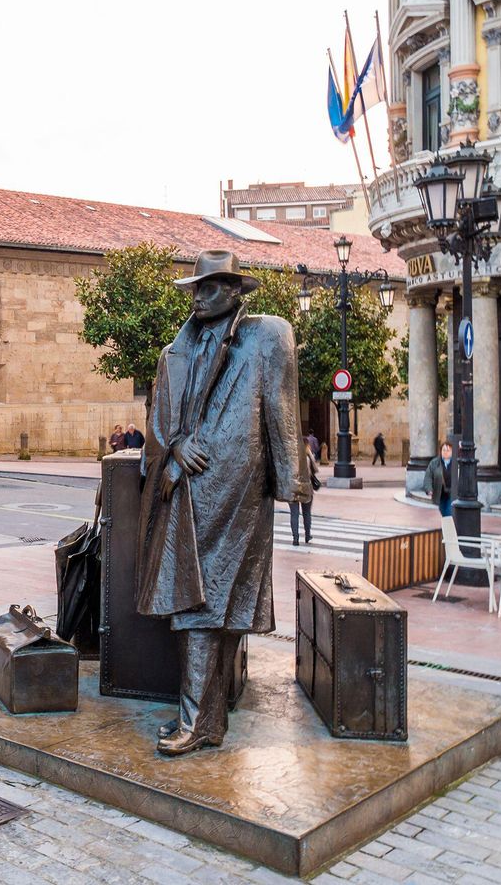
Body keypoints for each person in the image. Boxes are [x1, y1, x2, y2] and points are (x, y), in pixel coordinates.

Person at [137, 250, 302, 756]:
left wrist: (291, 479)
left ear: (234, 290)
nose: (200, 297)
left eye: (211, 287)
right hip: (189, 492)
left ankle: (198, 722)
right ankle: (205, 722)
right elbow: (159, 426)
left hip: (240, 492)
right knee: (197, 605)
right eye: (196, 288)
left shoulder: (266, 336)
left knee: (213, 607)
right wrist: (174, 449)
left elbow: (280, 405)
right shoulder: (175, 352)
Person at [289, 437, 319, 545]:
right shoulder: (307, 456)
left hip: (293, 488)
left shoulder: (291, 457)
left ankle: (295, 538)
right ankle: (307, 535)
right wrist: (310, 454)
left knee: (294, 514)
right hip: (306, 487)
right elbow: (315, 470)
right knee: (306, 513)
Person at [423, 442, 454, 518]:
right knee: (443, 510)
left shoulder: (457, 463)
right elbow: (428, 477)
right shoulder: (434, 462)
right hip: (440, 493)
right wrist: (429, 489)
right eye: (443, 450)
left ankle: (449, 528)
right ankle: (449, 527)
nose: (445, 452)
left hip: (452, 493)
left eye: (448, 450)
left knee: (448, 512)